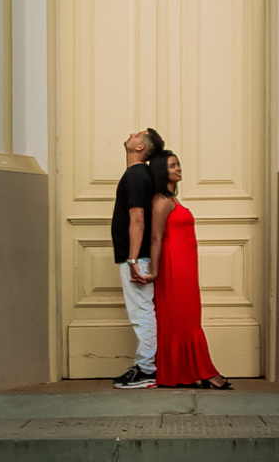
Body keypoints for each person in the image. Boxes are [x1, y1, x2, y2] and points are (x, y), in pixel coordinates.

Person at [148, 150, 232, 390]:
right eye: (173, 166)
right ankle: (200, 373)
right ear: (162, 171)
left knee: (189, 318)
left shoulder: (173, 200)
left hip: (185, 266)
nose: (178, 169)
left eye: (178, 165)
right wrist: (154, 271)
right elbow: (155, 237)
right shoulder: (162, 202)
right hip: (173, 266)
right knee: (179, 319)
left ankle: (193, 371)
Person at [111, 126, 165, 389]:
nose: (131, 133)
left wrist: (133, 260)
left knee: (141, 312)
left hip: (137, 258)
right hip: (137, 257)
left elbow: (138, 219)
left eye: (137, 134)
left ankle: (146, 370)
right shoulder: (138, 175)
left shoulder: (135, 175)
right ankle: (146, 367)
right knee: (142, 311)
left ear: (141, 147)